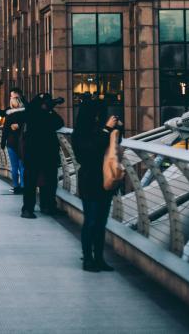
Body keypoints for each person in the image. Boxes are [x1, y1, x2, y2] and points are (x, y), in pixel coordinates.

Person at [72, 99, 119, 272]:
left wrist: (115, 128)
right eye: (97, 114)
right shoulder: (79, 133)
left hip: (104, 181)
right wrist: (106, 130)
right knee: (91, 221)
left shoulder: (99, 129)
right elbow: (89, 152)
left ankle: (99, 258)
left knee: (101, 222)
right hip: (90, 180)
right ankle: (88, 259)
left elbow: (112, 146)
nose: (99, 117)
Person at [20, 93, 65, 218]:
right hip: (37, 152)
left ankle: (45, 206)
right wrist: (48, 110)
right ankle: (30, 208)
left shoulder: (41, 113)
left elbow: (59, 123)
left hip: (43, 153)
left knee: (48, 180)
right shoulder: (32, 113)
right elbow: (57, 123)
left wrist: (49, 110)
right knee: (33, 182)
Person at [0, 96, 25, 193]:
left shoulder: (9, 115)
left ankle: (16, 186)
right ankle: (23, 186)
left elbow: (5, 130)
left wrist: (2, 143)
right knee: (22, 165)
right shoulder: (24, 114)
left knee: (14, 166)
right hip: (22, 142)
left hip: (11, 143)